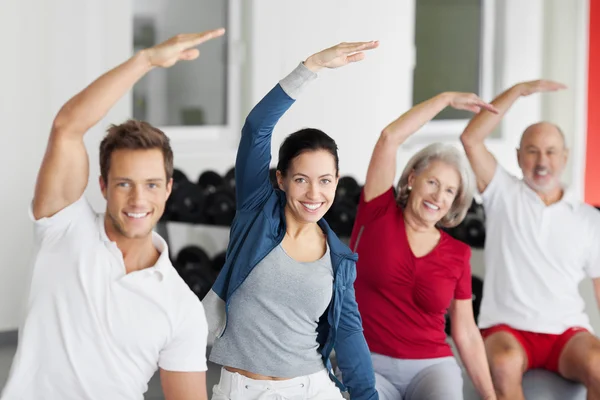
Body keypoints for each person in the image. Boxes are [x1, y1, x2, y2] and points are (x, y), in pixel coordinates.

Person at [0, 29, 225, 400]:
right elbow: (67, 127)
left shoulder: (180, 306)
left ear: (169, 189)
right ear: (103, 186)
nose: (138, 199)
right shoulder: (63, 227)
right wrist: (147, 60)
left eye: (152, 184)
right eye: (125, 184)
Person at [202, 41, 380, 400]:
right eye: (302, 179)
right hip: (243, 390)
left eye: (325, 180)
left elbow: (348, 335)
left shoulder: (339, 258)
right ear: (281, 179)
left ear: (336, 180)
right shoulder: (256, 213)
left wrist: (368, 397)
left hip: (312, 387)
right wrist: (311, 67)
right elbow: (256, 129)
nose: (315, 193)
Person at [349, 92, 499, 400]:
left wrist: (490, 396)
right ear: (412, 178)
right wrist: (444, 100)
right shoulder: (377, 213)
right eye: (432, 182)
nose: (437, 196)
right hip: (369, 363)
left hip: (432, 367)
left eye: (449, 191)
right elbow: (389, 138)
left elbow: (466, 333)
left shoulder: (458, 254)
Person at [459, 79, 600, 400]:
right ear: (519, 156)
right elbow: (470, 138)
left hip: (566, 333)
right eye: (532, 151)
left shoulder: (589, 219)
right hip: (506, 329)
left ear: (564, 157)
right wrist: (518, 92)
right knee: (504, 363)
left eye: (550, 152)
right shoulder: (502, 193)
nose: (541, 161)